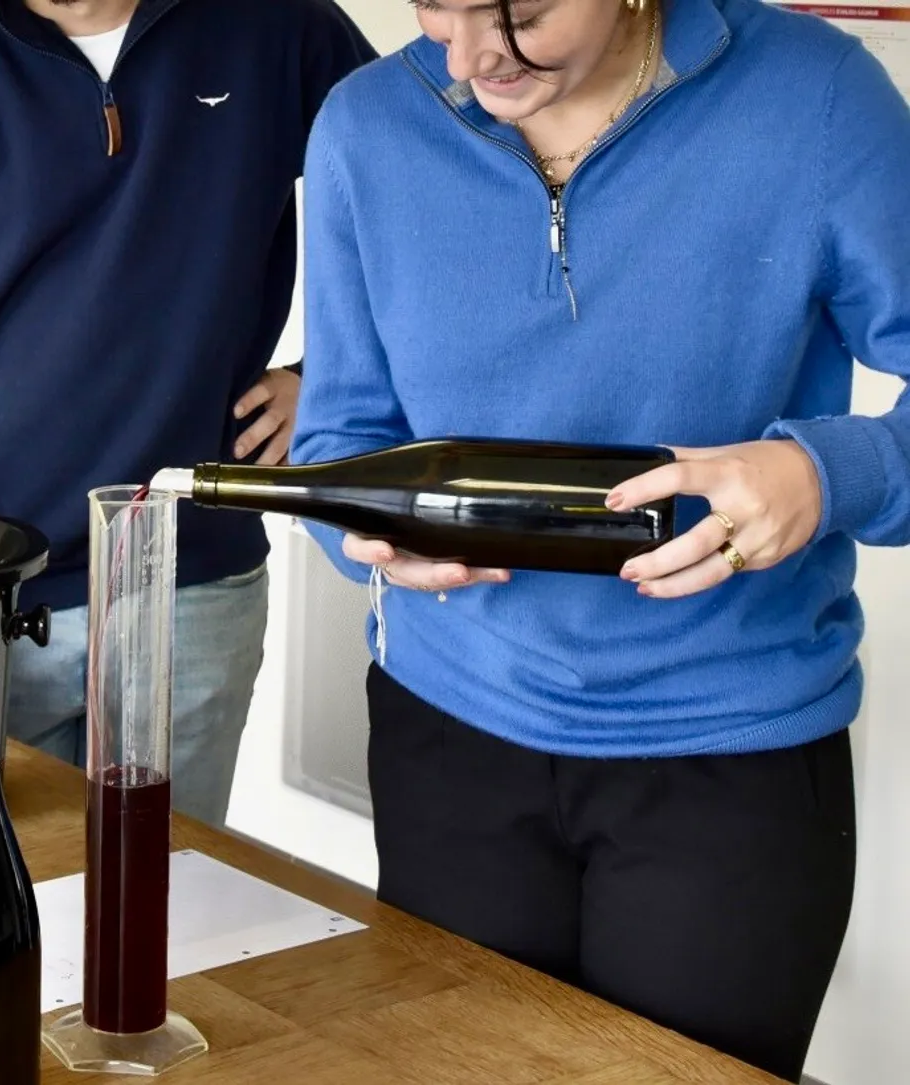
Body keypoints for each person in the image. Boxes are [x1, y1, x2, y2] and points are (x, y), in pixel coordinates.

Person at [290, 0, 910, 1079]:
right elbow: (342, 430)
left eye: (523, 14)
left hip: (731, 757)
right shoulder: (365, 127)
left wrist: (824, 473)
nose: (472, 54)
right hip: (448, 737)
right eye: (438, 3)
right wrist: (369, 540)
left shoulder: (818, 99)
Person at [0, 0, 375, 828]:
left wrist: (333, 376)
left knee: (157, 919)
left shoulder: (279, 27)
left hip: (187, 589)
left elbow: (422, 176)